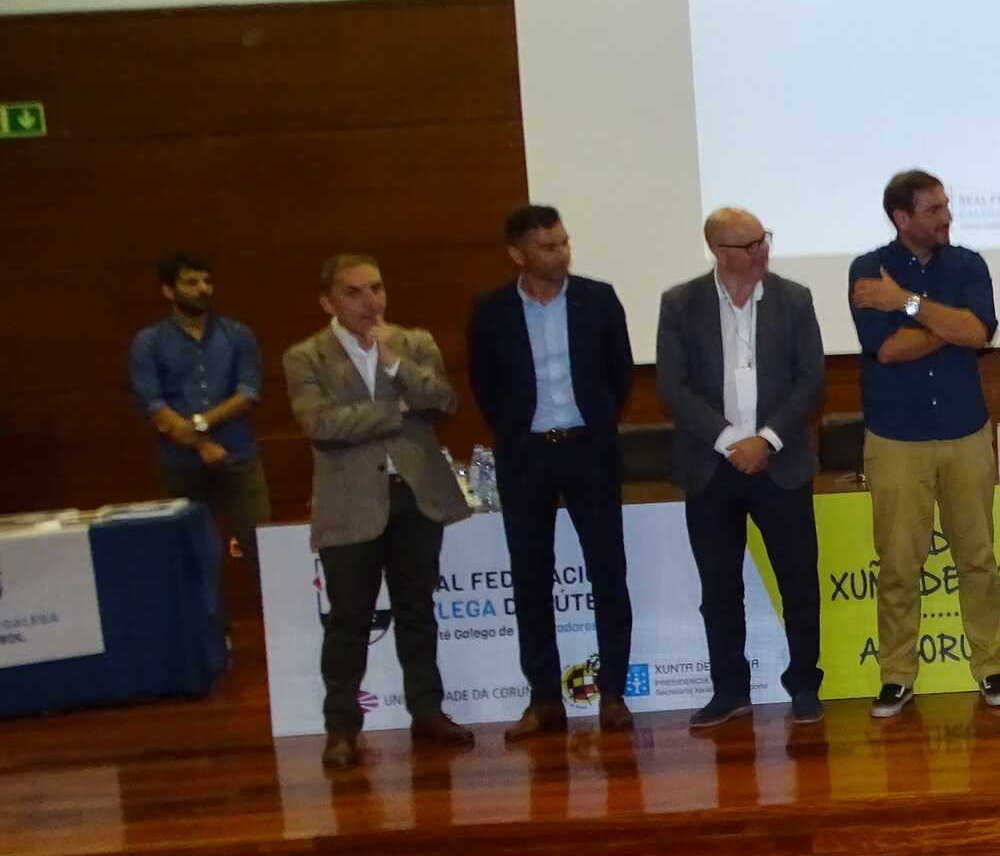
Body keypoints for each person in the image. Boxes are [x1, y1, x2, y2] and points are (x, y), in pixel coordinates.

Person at [283, 253, 474, 770]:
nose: (371, 301)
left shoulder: (413, 343)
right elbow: (320, 424)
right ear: (328, 302)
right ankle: (342, 727)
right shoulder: (306, 357)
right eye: (355, 292)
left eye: (377, 288)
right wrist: (396, 410)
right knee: (348, 618)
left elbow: (444, 402)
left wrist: (395, 365)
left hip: (415, 495)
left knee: (417, 611)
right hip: (349, 504)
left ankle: (427, 711)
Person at [466, 204, 637, 739]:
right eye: (547, 247)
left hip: (589, 450)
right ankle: (543, 699)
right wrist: (518, 430)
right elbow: (486, 386)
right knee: (531, 578)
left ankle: (613, 693)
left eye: (563, 243)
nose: (561, 254)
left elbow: (620, 374)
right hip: (526, 455)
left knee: (608, 573)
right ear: (517, 254)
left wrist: (598, 421)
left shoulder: (598, 299)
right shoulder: (490, 311)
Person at [850, 170, 1000, 718]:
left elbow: (979, 333)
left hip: (966, 431)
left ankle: (991, 666)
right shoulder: (867, 271)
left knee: (979, 559)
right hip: (896, 438)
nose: (947, 218)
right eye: (934, 210)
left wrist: (907, 302)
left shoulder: (968, 265)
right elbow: (888, 349)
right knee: (899, 564)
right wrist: (948, 325)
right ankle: (897, 675)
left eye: (946, 206)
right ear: (902, 218)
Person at [655, 208, 826, 729]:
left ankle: (804, 685)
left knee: (799, 583)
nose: (761, 251)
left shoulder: (794, 299)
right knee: (720, 589)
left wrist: (766, 440)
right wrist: (732, 441)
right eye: (749, 245)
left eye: (763, 240)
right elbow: (673, 387)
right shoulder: (680, 304)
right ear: (719, 251)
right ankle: (729, 690)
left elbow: (811, 381)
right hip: (712, 466)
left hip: (781, 462)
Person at [128, 251, 270, 589]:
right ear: (169, 290)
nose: (202, 288)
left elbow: (248, 393)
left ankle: (281, 621)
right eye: (191, 282)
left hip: (239, 457)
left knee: (261, 547)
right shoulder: (149, 342)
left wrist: (199, 424)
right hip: (181, 465)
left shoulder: (237, 335)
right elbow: (155, 407)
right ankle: (208, 624)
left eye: (207, 281)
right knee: (192, 557)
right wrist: (202, 444)